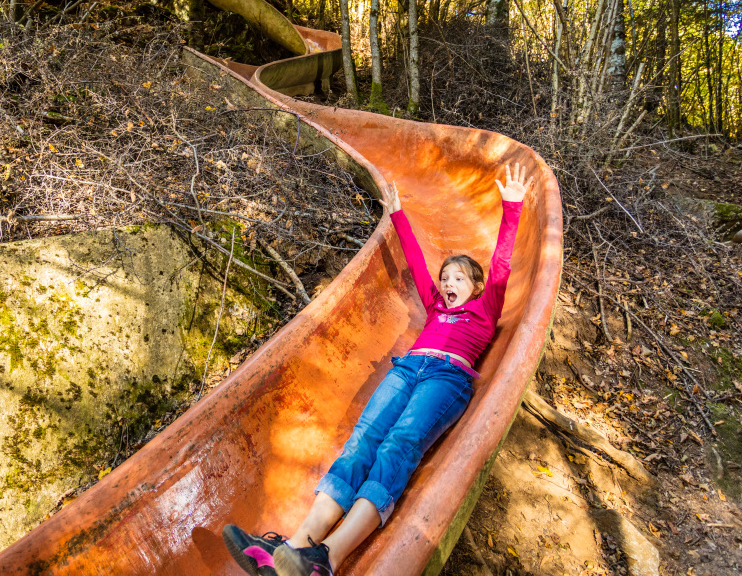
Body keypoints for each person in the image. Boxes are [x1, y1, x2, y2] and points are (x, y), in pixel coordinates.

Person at [222, 162, 533, 576]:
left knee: (397, 443)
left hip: (446, 378)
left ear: (475, 287)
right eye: (446, 278)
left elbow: (502, 265)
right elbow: (418, 263)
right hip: (407, 369)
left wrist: (512, 207)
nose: (448, 283)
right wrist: (398, 213)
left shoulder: (485, 307)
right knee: (363, 440)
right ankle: (294, 547)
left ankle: (326, 558)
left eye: (458, 277)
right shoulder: (436, 306)